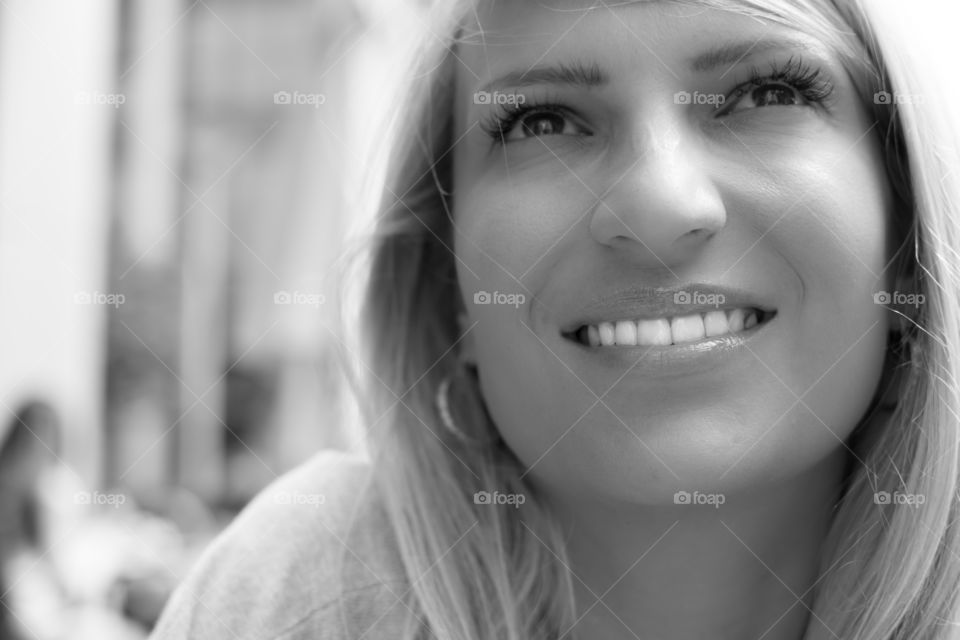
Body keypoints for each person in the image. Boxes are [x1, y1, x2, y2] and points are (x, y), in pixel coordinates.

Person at [150, 0, 960, 638]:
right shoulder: (297, 597)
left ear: (904, 236)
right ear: (449, 287)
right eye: (543, 121)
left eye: (764, 94)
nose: (658, 204)